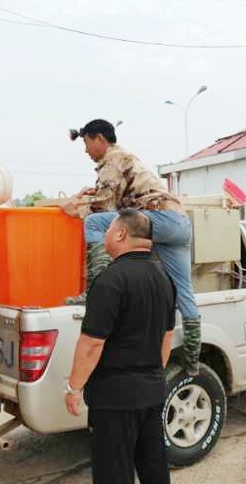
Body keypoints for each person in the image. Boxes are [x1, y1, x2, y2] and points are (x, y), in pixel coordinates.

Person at [64, 209, 175, 484]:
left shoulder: (111, 281)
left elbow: (92, 343)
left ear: (123, 234)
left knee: (114, 476)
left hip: (114, 396)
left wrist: (74, 386)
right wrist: (153, 376)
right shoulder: (164, 278)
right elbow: (166, 338)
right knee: (152, 461)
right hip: (151, 389)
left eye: (109, 230)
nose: (105, 236)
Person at [60, 119, 201, 376]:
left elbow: (105, 208)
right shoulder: (126, 158)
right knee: (184, 291)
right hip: (178, 222)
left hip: (157, 218)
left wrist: (72, 207)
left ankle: (94, 290)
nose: (86, 150)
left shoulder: (113, 160)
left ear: (99, 139)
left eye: (87, 143)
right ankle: (192, 364)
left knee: (94, 222)